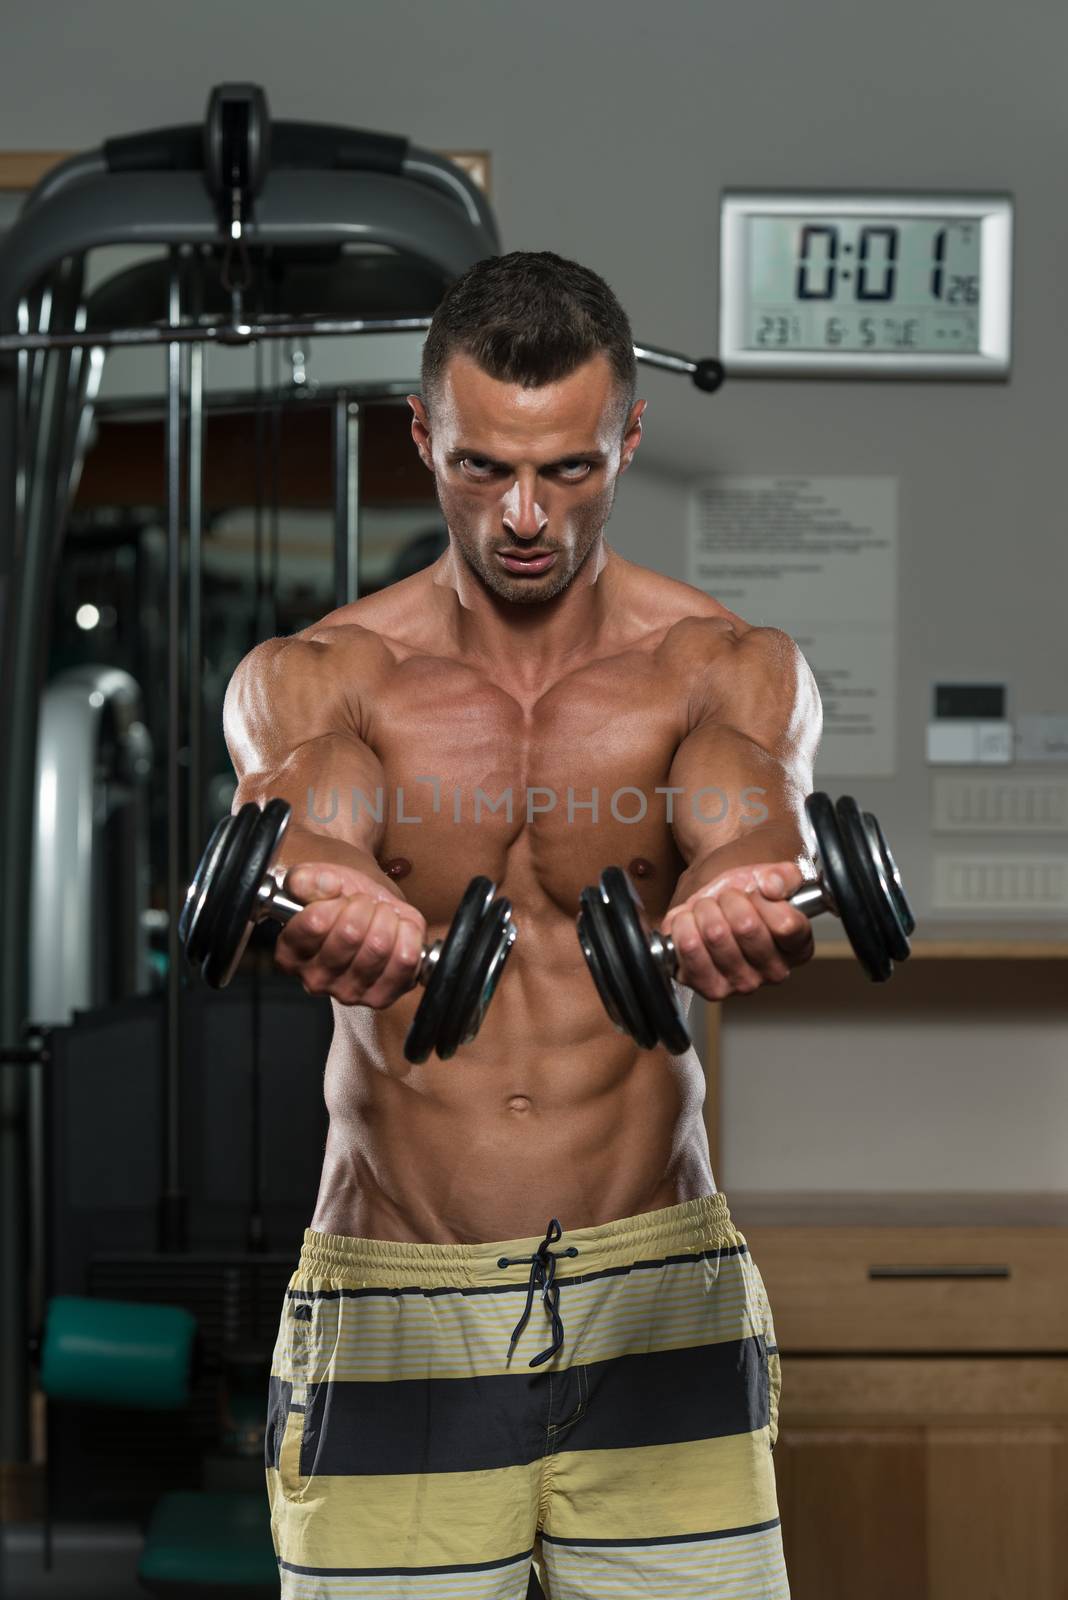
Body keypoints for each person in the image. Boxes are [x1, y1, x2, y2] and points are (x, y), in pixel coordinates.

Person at [225, 251, 821, 1598]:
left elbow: (755, 819)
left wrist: (746, 892)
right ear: (422, 435)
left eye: (569, 470)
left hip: (654, 1284)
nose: (527, 516)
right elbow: (303, 823)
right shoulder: (326, 676)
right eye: (484, 467)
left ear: (630, 437)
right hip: (395, 1297)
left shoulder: (721, 664)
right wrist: (334, 893)